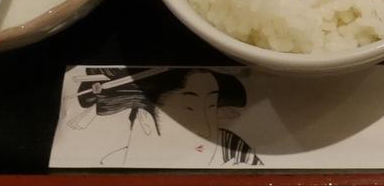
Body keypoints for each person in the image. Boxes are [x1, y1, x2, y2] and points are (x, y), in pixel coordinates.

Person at [71, 66, 262, 167]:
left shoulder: (236, 156)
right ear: (144, 118)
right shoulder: (105, 168)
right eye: (189, 109)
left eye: (211, 106)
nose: (206, 129)